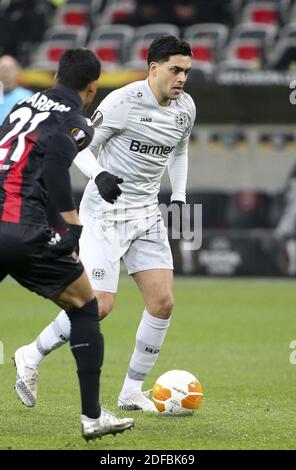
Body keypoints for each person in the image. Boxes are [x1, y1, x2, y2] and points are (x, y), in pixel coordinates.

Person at [15, 35, 196, 412]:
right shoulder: (121, 103)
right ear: (154, 68)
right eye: (175, 70)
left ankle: (131, 392)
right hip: (105, 213)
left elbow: (180, 149)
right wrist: (99, 176)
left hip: (147, 213)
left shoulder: (185, 108)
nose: (181, 78)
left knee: (162, 303)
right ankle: (31, 353)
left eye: (187, 72)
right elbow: (76, 147)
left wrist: (178, 195)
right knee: (98, 306)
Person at [0, 48, 134, 440]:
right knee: (85, 306)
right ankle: (92, 418)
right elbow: (57, 169)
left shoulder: (21, 105)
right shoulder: (76, 122)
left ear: (56, 76)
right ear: (92, 88)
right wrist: (72, 229)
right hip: (22, 230)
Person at [0, 55, 32, 124]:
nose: (6, 73)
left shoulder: (27, 97)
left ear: (18, 72)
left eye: (10, 69)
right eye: (3, 69)